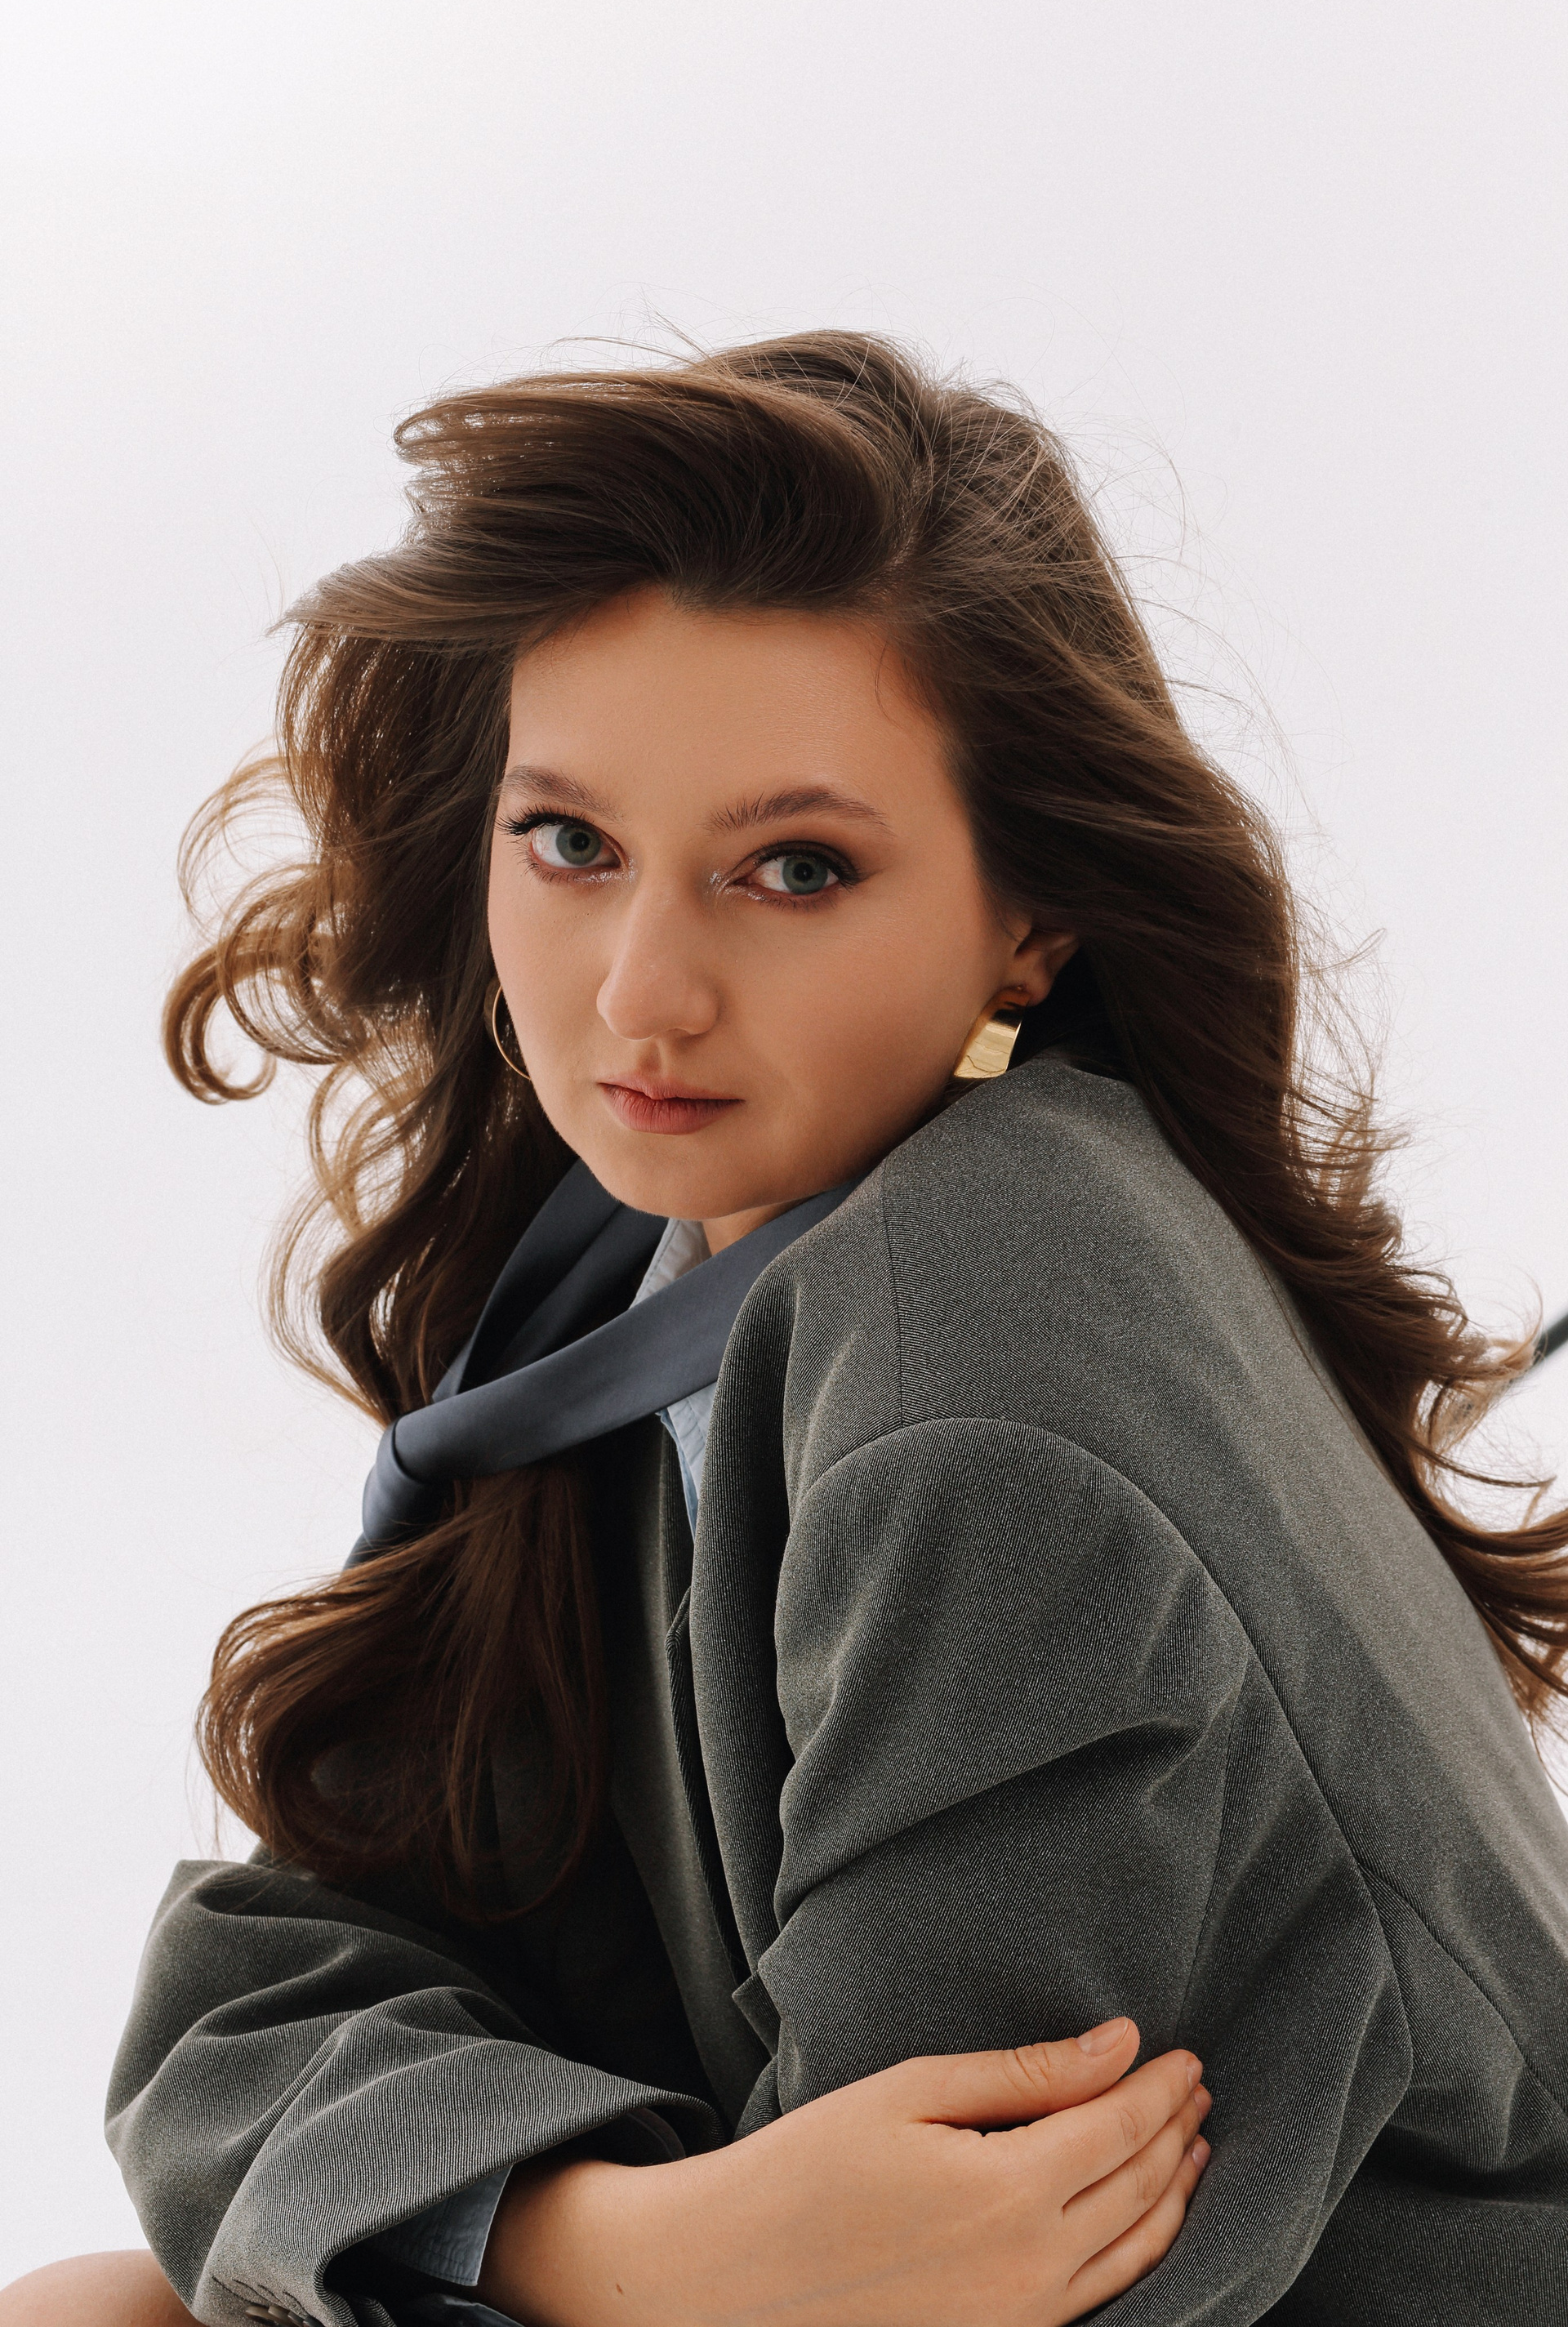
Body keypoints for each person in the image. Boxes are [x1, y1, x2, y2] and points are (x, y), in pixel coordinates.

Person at [7, 332, 1566, 2327]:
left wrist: (638, 2246)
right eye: (569, 842)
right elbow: (255, 1996)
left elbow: (917, 2280)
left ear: (1032, 920)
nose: (639, 995)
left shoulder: (975, 1371)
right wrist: (617, 2245)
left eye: (795, 870)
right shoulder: (647, 1273)